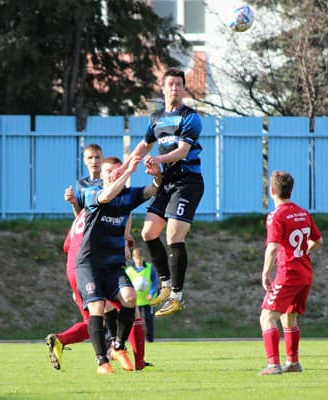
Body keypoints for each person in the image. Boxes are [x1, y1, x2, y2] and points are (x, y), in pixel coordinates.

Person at [116, 67, 204, 317]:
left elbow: (182, 151)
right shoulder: (155, 118)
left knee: (175, 234)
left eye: (178, 84)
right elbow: (144, 145)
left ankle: (177, 295)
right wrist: (124, 168)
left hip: (188, 182)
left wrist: (158, 159)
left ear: (183, 88)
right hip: (166, 183)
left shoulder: (190, 117)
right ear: (163, 88)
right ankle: (165, 284)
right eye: (171, 84)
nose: (174, 88)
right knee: (148, 232)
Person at [76, 155, 161, 374]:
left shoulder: (127, 196)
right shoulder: (93, 193)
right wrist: (127, 172)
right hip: (89, 264)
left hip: (113, 265)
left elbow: (153, 189)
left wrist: (158, 174)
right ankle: (101, 361)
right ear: (102, 175)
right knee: (96, 307)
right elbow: (107, 196)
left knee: (130, 299)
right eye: (109, 172)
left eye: (117, 169)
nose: (114, 173)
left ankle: (118, 346)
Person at [258, 170, 323, 375]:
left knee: (267, 317)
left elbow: (273, 247)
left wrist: (266, 273)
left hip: (288, 273)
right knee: (289, 317)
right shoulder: (303, 212)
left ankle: (273, 365)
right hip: (305, 273)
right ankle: (293, 362)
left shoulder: (276, 216)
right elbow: (318, 241)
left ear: (272, 190)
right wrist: (303, 251)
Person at [125, 248, 158, 342]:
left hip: (148, 299)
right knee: (133, 320)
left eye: (140, 258)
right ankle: (133, 338)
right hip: (135, 300)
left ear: (143, 258)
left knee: (148, 319)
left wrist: (152, 293)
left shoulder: (149, 267)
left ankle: (150, 339)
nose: (138, 260)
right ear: (133, 258)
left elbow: (155, 281)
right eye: (136, 258)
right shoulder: (129, 270)